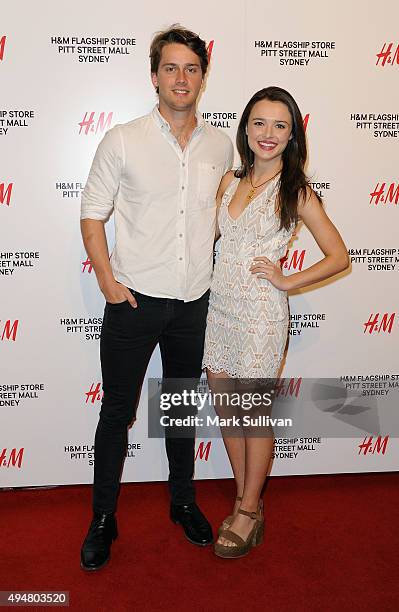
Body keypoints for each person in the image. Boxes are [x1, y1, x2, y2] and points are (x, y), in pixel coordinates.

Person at [79, 25, 234, 570]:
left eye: (192, 68)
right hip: (134, 302)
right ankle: (103, 517)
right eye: (171, 67)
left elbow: (224, 215)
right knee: (117, 411)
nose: (182, 78)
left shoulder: (221, 145)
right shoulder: (123, 138)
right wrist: (106, 282)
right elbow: (92, 212)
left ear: (203, 77)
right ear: (154, 76)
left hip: (194, 303)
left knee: (179, 409)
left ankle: (183, 501)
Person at [202, 86, 349, 558]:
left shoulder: (296, 189)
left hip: (261, 315)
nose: (268, 134)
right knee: (227, 407)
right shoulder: (228, 179)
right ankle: (247, 498)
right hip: (220, 308)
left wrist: (289, 282)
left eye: (280, 126)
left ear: (292, 135)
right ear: (245, 127)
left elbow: (339, 256)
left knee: (252, 412)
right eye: (260, 123)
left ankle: (246, 511)